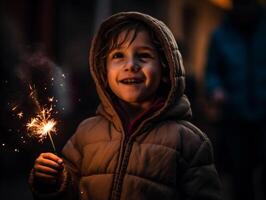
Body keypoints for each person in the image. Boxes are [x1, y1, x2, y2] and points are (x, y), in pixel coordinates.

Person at [29, 12, 222, 200]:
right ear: (103, 71)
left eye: (143, 55)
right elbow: (70, 190)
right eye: (118, 56)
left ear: (166, 69)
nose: (130, 65)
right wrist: (52, 182)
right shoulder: (86, 133)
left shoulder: (189, 142)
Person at [204, 0, 266, 199]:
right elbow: (212, 70)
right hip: (234, 115)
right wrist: (215, 89)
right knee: (241, 174)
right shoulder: (220, 35)